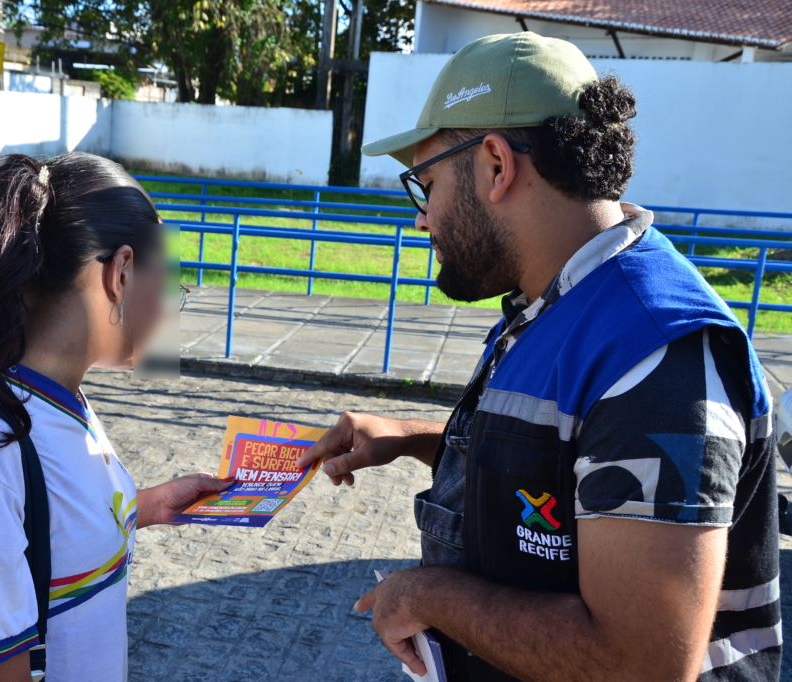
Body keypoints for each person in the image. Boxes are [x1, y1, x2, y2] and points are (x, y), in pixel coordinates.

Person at [297, 33, 780, 682]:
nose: (421, 220)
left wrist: (424, 595)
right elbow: (565, 466)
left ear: (495, 164)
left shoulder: (656, 355)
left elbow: (643, 664)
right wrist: (406, 438)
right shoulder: (559, 305)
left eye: (427, 183)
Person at [0, 152, 230, 681]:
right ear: (121, 273)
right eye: (169, 280)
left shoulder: (52, 399)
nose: (169, 306)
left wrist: (146, 506)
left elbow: (48, 534)